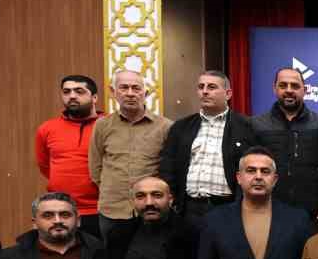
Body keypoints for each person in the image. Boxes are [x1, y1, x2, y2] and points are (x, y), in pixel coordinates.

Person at [161, 70, 259, 222]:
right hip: (188, 209)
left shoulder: (247, 127)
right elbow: (168, 165)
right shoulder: (181, 127)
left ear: (228, 94)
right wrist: (173, 200)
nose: (205, 91)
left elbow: (253, 167)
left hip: (228, 208)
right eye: (201, 87)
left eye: (212, 87)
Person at [249, 65, 318, 223]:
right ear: (274, 89)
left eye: (295, 86)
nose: (289, 90)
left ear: (305, 90)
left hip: (312, 211)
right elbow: (248, 168)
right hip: (268, 208)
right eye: (283, 85)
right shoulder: (257, 124)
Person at [88, 69, 170, 242]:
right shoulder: (102, 125)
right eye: (124, 88)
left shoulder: (165, 127)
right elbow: (95, 167)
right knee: (112, 257)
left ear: (146, 93)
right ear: (113, 92)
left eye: (136, 88)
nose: (130, 93)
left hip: (151, 210)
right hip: (112, 209)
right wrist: (112, 188)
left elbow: (170, 169)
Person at [35, 74, 101, 235]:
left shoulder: (108, 125)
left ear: (94, 97)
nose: (72, 96)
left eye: (79, 91)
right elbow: (45, 166)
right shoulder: (47, 128)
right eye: (66, 92)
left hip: (101, 210)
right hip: (61, 210)